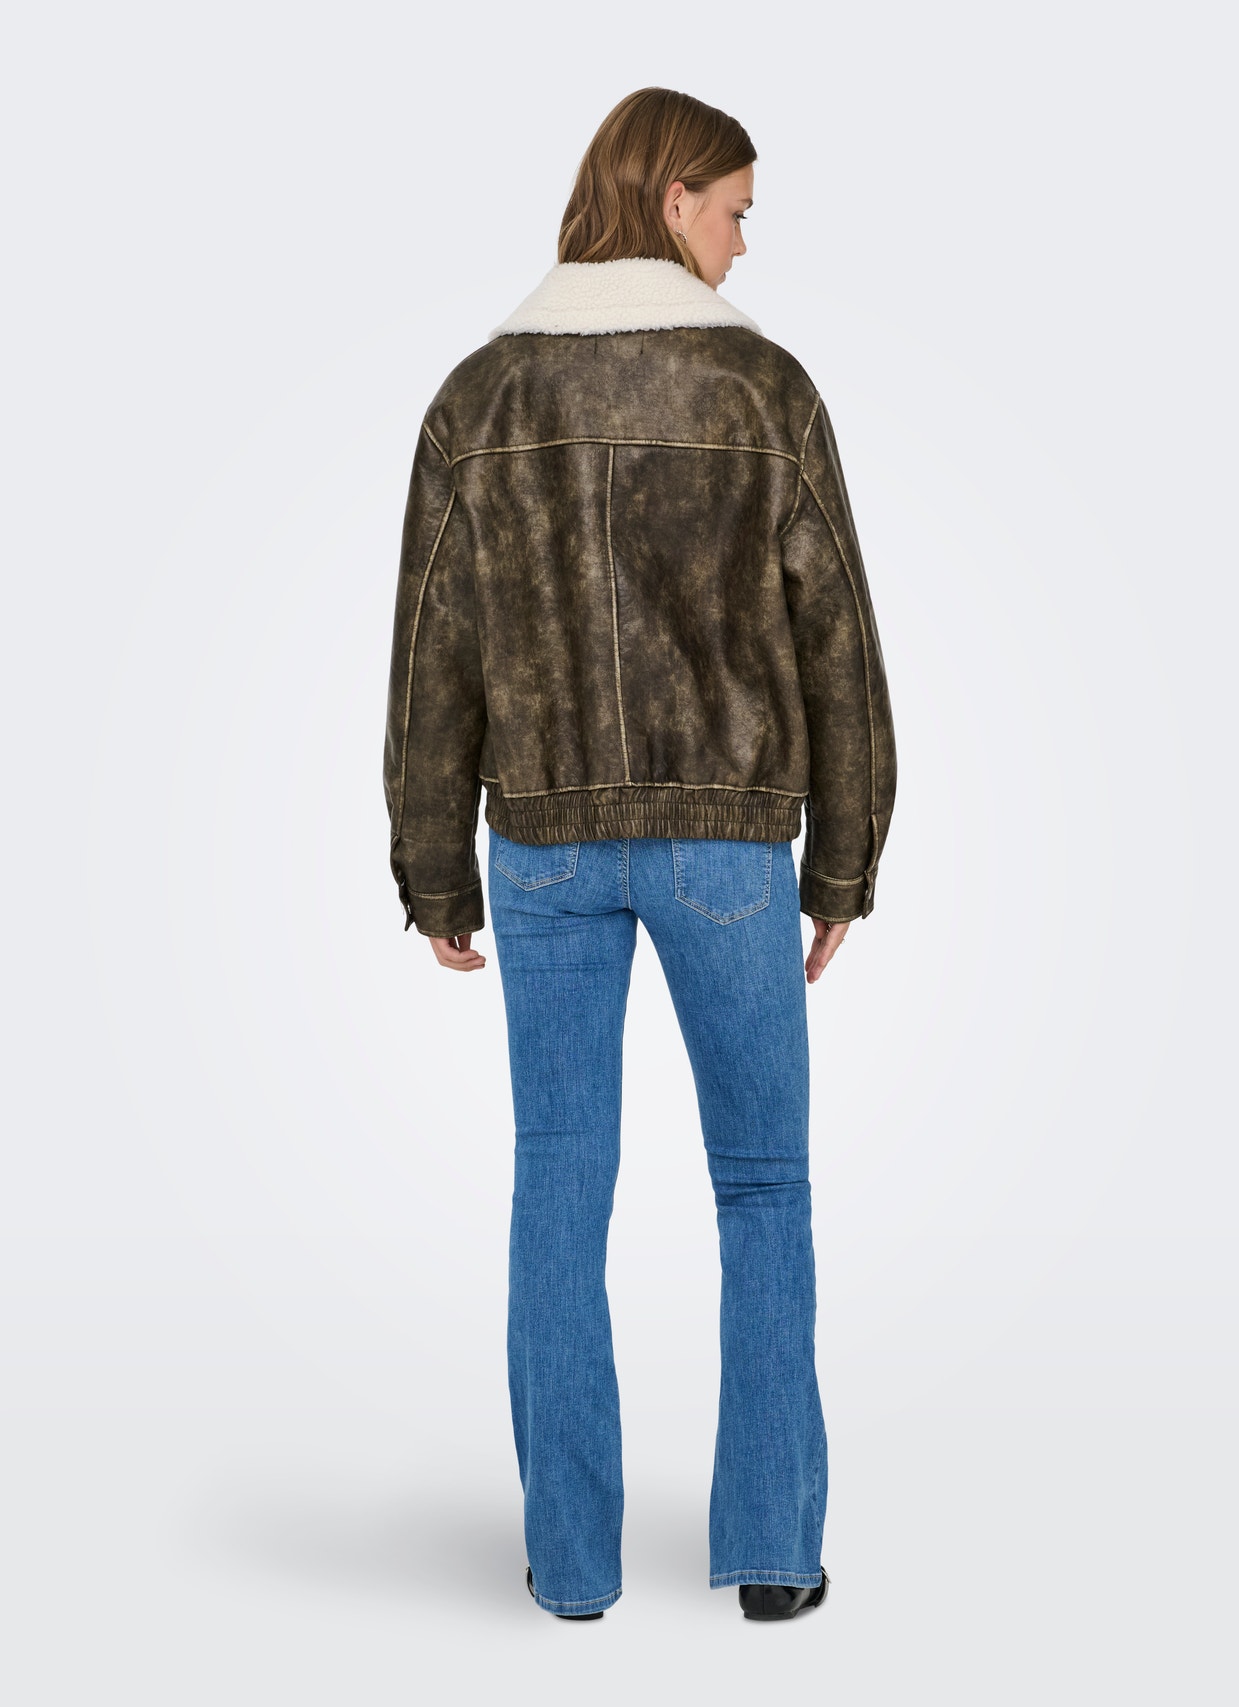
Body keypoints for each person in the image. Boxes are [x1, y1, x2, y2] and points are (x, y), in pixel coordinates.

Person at [382, 86, 897, 1623]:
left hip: (542, 842)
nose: (743, 243)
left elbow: (432, 652)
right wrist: (845, 861)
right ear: (671, 199)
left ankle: (573, 1565)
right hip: (726, 847)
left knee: (559, 1183)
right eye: (734, 210)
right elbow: (837, 637)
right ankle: (775, 1557)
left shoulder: (481, 396)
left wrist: (433, 868)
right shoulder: (763, 391)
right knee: (763, 1185)